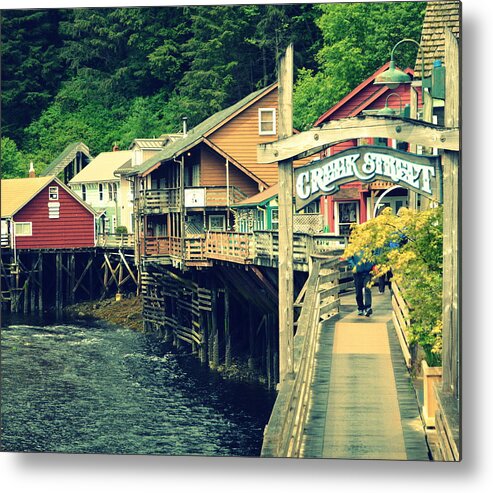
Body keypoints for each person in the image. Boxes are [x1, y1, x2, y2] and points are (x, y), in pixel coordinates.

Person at [347, 251, 374, 317]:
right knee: (358, 291)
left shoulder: (369, 245)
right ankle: (360, 307)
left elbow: (375, 254)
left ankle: (368, 307)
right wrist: (354, 266)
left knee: (367, 288)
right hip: (357, 273)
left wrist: (371, 264)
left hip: (367, 271)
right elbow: (349, 258)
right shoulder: (353, 247)